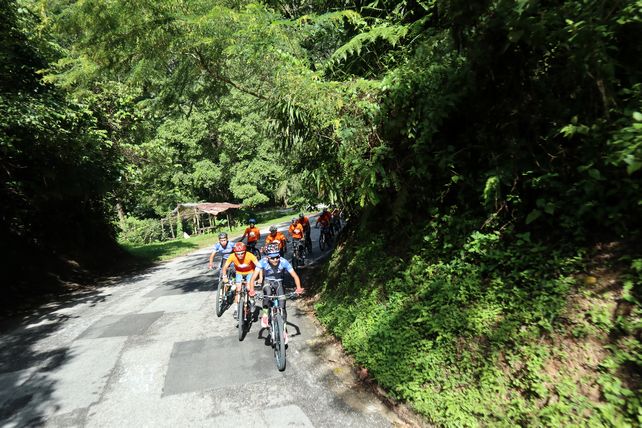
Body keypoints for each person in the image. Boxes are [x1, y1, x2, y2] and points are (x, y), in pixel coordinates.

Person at [248, 243, 304, 343]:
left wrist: (298, 288)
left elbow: (295, 276)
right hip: (267, 281)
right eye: (272, 258)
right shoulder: (262, 262)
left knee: (282, 305)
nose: (275, 260)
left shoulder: (283, 261)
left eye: (277, 257)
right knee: (268, 293)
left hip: (279, 282)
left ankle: (283, 329)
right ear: (267, 257)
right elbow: (252, 278)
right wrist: (252, 291)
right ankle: (265, 314)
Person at [221, 242, 260, 319]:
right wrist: (224, 276)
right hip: (239, 272)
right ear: (235, 253)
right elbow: (225, 267)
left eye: (242, 253)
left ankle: (252, 301)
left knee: (248, 287)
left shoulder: (250, 255)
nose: (240, 255)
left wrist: (259, 278)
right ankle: (236, 309)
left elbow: (259, 266)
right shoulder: (232, 256)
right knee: (238, 290)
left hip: (250, 272)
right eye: (238, 254)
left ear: (245, 251)